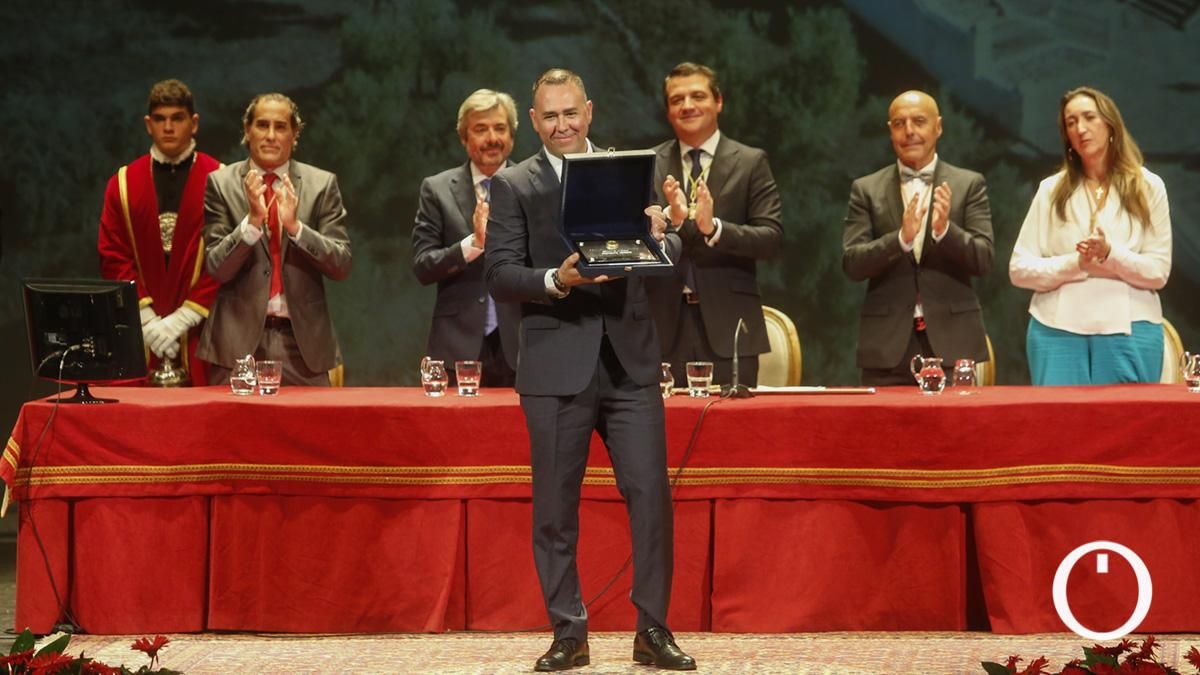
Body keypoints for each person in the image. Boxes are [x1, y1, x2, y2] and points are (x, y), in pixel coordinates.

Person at [484, 68, 695, 672]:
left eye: (570, 112)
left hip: (629, 362)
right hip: (555, 365)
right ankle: (568, 632)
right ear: (533, 120)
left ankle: (652, 630)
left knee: (650, 497)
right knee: (555, 508)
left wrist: (667, 233)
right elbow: (499, 273)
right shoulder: (514, 184)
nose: (562, 125)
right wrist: (557, 279)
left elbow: (662, 253)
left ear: (590, 111)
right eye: (550, 116)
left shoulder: (628, 170)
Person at [1010, 86, 1171, 385]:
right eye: (1071, 122)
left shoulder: (1149, 187)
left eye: (1089, 117)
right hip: (1055, 331)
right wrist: (1077, 264)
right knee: (1060, 416)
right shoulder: (1051, 190)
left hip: (1131, 329)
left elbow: (1158, 272)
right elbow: (1019, 269)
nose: (1080, 128)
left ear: (1110, 125)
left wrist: (1110, 255)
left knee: (1126, 416)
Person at [198, 92, 352, 386]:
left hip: (303, 346)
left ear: (295, 135)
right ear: (247, 130)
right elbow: (217, 268)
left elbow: (341, 265)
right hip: (235, 345)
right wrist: (251, 223)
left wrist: (296, 228)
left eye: (280, 127)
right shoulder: (221, 183)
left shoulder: (322, 184)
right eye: (262, 125)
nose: (270, 135)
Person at [842, 90, 994, 386]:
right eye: (899, 124)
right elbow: (852, 263)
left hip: (953, 343)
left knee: (954, 419)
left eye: (919, 121)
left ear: (938, 127)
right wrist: (900, 239)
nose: (909, 131)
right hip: (886, 347)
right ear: (890, 131)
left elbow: (984, 260)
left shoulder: (969, 184)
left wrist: (945, 231)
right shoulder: (866, 189)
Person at [647, 62, 783, 388]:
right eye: (677, 100)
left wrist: (715, 228)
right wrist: (670, 220)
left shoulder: (750, 161)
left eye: (697, 96)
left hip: (731, 324)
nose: (687, 106)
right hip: (661, 325)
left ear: (718, 101)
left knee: (734, 421)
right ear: (668, 111)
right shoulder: (649, 162)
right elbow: (632, 242)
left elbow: (771, 239)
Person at [97, 79, 221, 385]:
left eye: (177, 118)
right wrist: (149, 322)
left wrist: (184, 319)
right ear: (148, 124)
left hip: (203, 330)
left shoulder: (221, 179)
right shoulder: (123, 183)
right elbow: (113, 254)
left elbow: (227, 258)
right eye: (160, 119)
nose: (168, 127)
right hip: (140, 331)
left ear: (194, 123)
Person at [412, 89, 520, 387]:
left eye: (500, 128)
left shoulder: (533, 186)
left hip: (522, 345)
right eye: (480, 129)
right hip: (456, 347)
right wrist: (474, 244)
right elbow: (423, 266)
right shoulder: (437, 189)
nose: (492, 138)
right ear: (463, 137)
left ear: (512, 135)